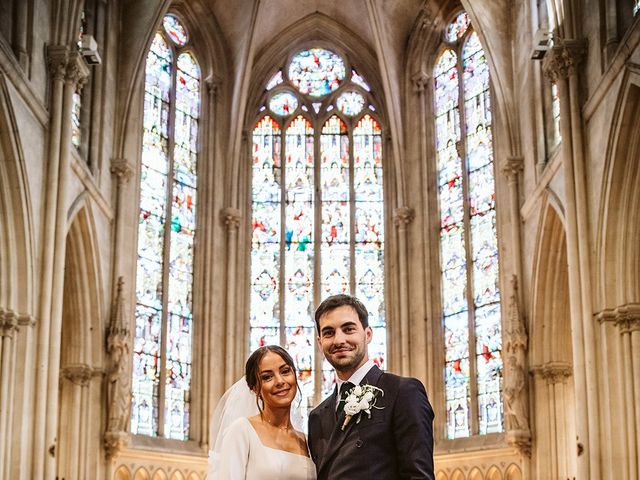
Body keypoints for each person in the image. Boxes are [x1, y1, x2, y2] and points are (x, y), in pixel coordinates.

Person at [308, 294, 435, 479]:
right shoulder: (317, 416)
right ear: (320, 343)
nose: (338, 340)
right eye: (329, 332)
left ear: (367, 334)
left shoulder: (402, 392)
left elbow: (418, 476)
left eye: (348, 329)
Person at [209, 345, 316, 479]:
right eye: (267, 377)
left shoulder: (306, 440)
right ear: (255, 389)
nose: (280, 381)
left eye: (285, 371)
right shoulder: (242, 431)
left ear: (295, 375)